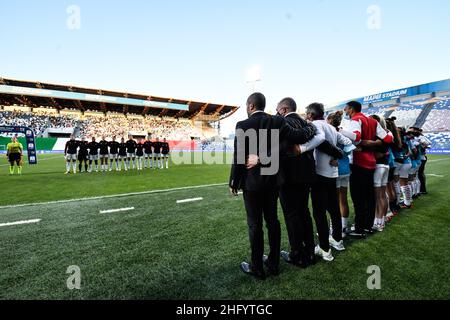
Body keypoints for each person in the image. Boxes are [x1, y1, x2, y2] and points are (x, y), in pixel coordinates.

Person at [229, 92, 316, 280]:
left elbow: (239, 155)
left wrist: (233, 182)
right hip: (273, 179)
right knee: (273, 221)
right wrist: (310, 125)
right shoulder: (277, 121)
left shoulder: (243, 124)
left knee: (255, 224)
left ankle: (257, 267)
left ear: (250, 105)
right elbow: (297, 138)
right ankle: (274, 263)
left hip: (252, 182)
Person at [275, 98, 343, 268]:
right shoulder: (308, 125)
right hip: (307, 176)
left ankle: (297, 255)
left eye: (277, 109)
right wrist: (338, 154)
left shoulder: (282, 123)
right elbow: (323, 142)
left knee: (292, 216)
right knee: (304, 213)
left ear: (283, 109)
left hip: (288, 177)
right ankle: (310, 252)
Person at [303, 103, 352, 262]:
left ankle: (325, 249)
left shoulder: (316, 125)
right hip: (332, 174)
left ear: (310, 114)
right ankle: (337, 240)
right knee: (333, 209)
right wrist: (338, 156)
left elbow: (320, 141)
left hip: (320, 174)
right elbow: (348, 145)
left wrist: (301, 149)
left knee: (319, 212)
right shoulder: (330, 126)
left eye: (306, 114)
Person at [340, 101, 393, 237]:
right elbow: (387, 138)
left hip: (359, 162)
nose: (345, 110)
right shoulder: (372, 121)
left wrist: (339, 131)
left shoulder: (355, 119)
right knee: (369, 196)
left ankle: (359, 229)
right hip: (371, 162)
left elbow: (356, 137)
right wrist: (373, 143)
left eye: (346, 108)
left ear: (351, 109)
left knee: (358, 198)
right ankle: (368, 226)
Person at [327, 111, 354, 236]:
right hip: (346, 169)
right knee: (343, 200)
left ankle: (335, 230)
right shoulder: (342, 134)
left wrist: (335, 158)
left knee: (334, 202)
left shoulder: (331, 134)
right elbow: (350, 149)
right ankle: (343, 227)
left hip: (336, 170)